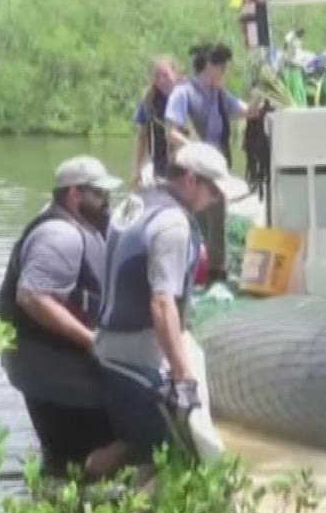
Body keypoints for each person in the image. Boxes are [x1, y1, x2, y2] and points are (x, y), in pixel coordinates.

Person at [93, 142, 250, 477]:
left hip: (110, 350)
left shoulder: (136, 201)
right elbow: (162, 304)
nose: (215, 201)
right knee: (172, 460)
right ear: (191, 180)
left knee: (135, 446)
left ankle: (80, 492)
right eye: (213, 191)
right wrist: (183, 377)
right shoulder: (173, 225)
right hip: (139, 360)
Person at [0, 156, 126, 481]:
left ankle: (61, 504)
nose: (107, 202)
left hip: (51, 362)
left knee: (64, 460)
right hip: (49, 366)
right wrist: (92, 341)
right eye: (99, 194)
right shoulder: (60, 234)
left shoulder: (82, 223)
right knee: (81, 461)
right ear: (73, 195)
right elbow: (32, 296)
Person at [163, 43, 254, 281]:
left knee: (217, 222)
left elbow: (245, 111)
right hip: (192, 170)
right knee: (197, 222)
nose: (224, 71)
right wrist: (197, 150)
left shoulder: (219, 94)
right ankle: (197, 271)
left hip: (215, 168)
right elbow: (171, 132)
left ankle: (216, 272)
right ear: (210, 66)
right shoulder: (183, 93)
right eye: (222, 66)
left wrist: (261, 99)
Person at [130, 55, 179, 186]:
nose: (161, 80)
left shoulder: (188, 95)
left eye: (165, 75)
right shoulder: (149, 100)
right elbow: (142, 137)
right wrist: (136, 169)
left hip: (188, 164)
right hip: (161, 166)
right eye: (157, 76)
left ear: (176, 73)